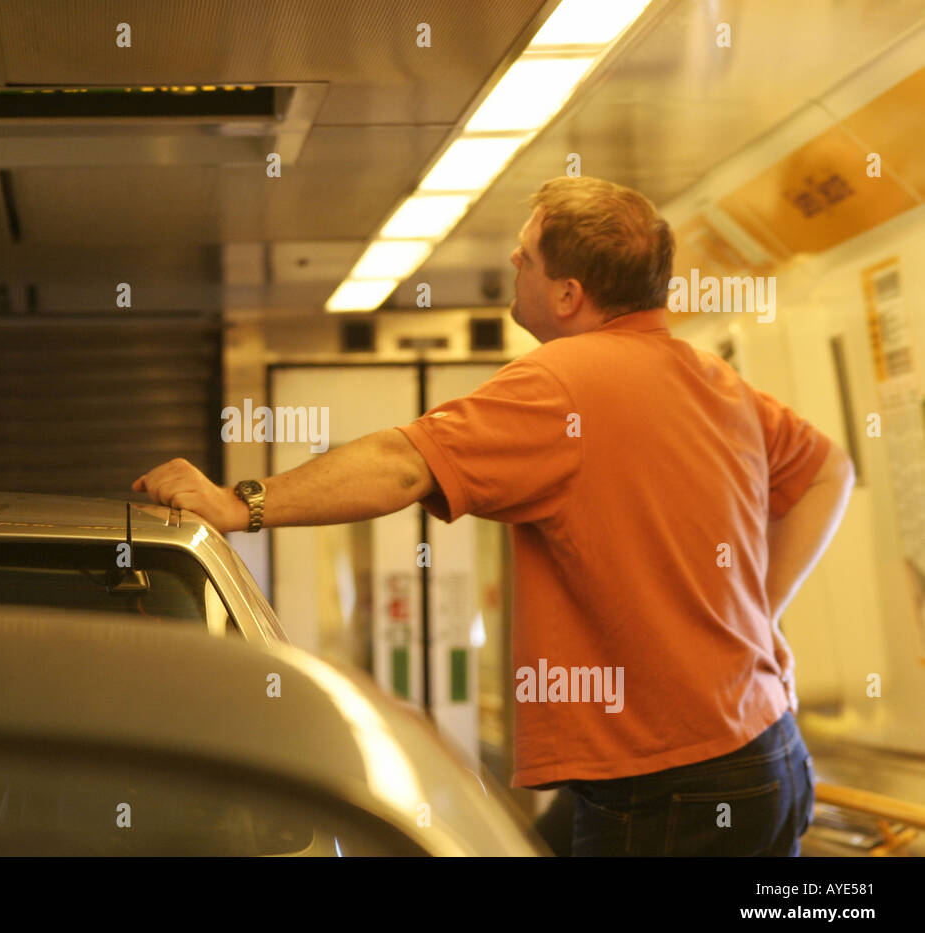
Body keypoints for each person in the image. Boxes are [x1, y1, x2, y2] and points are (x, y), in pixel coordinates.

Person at [132, 175, 854, 856]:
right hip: (770, 755)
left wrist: (239, 504)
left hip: (668, 782)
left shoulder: (559, 383)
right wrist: (759, 611)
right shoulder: (717, 379)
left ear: (569, 293)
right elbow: (831, 471)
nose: (512, 257)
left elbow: (404, 462)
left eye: (528, 254)